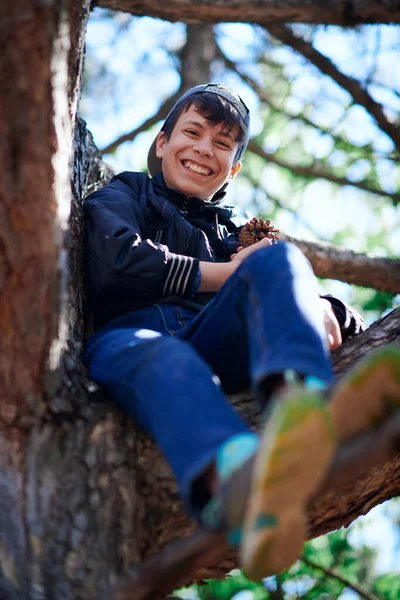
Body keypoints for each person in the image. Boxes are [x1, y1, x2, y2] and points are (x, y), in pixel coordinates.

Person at [82, 83, 400, 580]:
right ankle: (239, 482)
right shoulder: (128, 191)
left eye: (222, 144)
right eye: (192, 132)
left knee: (282, 259)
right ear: (161, 143)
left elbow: (288, 287)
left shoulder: (235, 238)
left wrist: (326, 309)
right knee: (168, 360)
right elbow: (116, 260)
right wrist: (225, 274)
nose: (204, 148)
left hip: (216, 341)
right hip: (131, 341)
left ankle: (302, 405)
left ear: (232, 170)